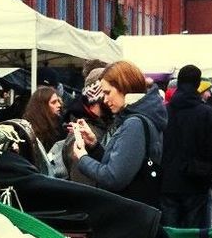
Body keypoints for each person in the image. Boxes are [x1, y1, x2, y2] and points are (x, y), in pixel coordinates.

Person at [69, 60, 167, 209]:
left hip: (128, 216)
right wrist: (95, 146)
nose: (104, 99)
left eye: (107, 92)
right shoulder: (140, 117)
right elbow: (123, 165)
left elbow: (113, 177)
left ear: (123, 86)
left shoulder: (134, 123)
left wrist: (83, 158)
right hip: (136, 212)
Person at [159, 64, 212, 229]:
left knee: (170, 234)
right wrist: (209, 173)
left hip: (167, 181)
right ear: (197, 84)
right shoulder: (207, 113)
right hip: (197, 181)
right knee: (193, 235)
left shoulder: (165, 111)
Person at [21, 85, 66, 175]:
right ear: (43, 106)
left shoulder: (59, 125)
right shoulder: (29, 131)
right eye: (53, 102)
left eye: (58, 101)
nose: (59, 105)